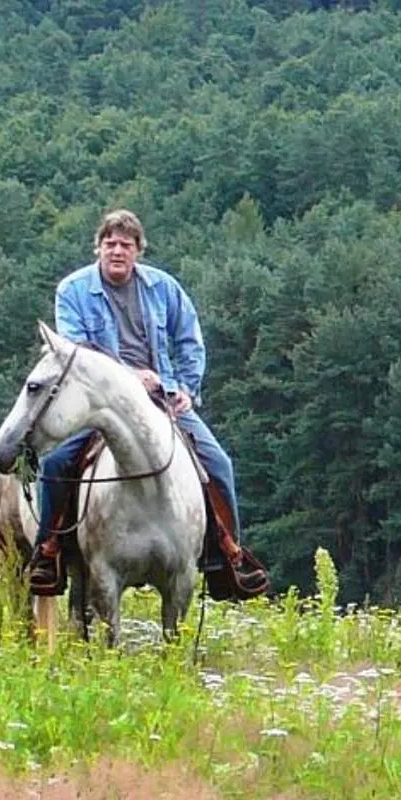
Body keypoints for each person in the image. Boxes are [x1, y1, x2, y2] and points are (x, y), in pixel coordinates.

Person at [34, 208, 251, 596]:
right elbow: (75, 350)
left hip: (161, 398)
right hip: (98, 401)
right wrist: (129, 377)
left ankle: (228, 555)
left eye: (126, 245)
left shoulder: (163, 288)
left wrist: (184, 385)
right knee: (55, 462)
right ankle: (48, 550)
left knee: (218, 463)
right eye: (110, 243)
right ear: (98, 247)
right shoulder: (73, 290)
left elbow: (189, 340)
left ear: (138, 251)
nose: (117, 251)